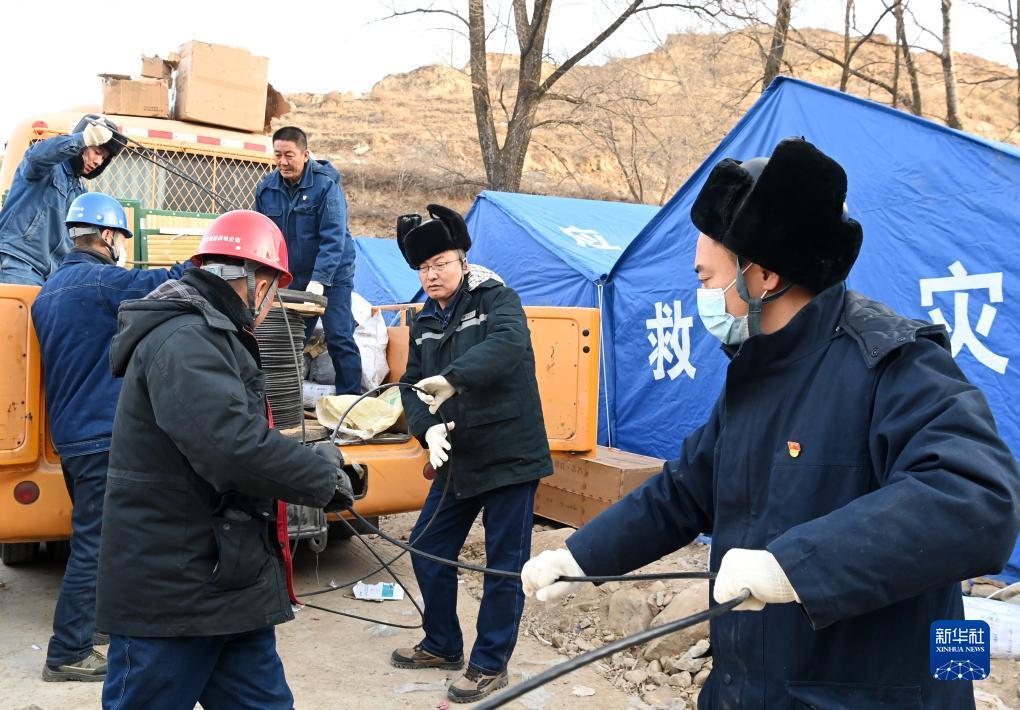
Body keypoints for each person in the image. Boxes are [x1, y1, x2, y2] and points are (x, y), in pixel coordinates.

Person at [521, 138, 1020, 709]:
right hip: (752, 688)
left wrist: (797, 566)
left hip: (860, 694)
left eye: (706, 279)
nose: (702, 296)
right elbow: (682, 493)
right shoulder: (758, 371)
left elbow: (977, 501)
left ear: (761, 276)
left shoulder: (891, 363)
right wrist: (581, 558)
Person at [96, 210, 354, 709]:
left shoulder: (210, 333)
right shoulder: (184, 339)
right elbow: (232, 447)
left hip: (228, 583)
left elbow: (236, 437)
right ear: (258, 283)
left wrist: (308, 463)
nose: (270, 305)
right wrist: (321, 479)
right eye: (274, 292)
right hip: (175, 592)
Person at [389, 204, 553, 704]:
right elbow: (411, 384)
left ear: (462, 260)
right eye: (423, 267)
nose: (431, 274)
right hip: (457, 458)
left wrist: (453, 378)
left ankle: (489, 664)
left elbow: (507, 345)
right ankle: (442, 643)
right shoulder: (423, 319)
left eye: (440, 263)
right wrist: (427, 433)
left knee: (504, 566)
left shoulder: (496, 299)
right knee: (426, 547)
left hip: (508, 454)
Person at [31, 192, 190, 682]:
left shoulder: (48, 292)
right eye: (121, 236)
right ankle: (68, 651)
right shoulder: (100, 280)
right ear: (106, 235)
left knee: (102, 539)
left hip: (72, 436)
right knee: (95, 543)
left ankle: (95, 626)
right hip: (101, 434)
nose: (121, 245)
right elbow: (162, 284)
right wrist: (206, 261)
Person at [254, 125, 361, 394]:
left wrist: (320, 280)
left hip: (333, 273)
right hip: (293, 275)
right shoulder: (267, 189)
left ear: (305, 154)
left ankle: (350, 400)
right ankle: (280, 399)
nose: (282, 162)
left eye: (289, 155)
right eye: (277, 155)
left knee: (338, 336)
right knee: (289, 341)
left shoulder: (326, 186)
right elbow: (264, 237)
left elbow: (333, 237)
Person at [0, 114, 123, 285]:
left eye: (103, 158)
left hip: (53, 275)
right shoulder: (46, 167)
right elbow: (36, 156)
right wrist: (82, 138)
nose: (98, 161)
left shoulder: (81, 192)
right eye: (96, 152)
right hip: (20, 262)